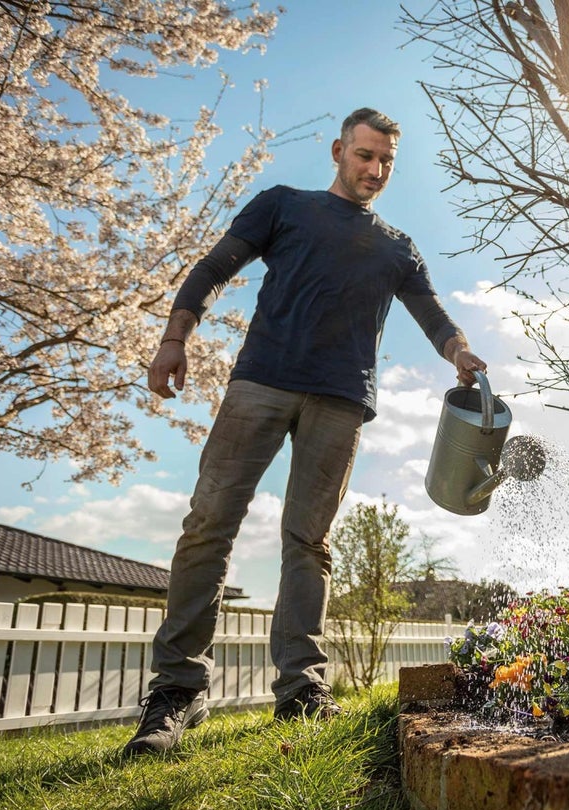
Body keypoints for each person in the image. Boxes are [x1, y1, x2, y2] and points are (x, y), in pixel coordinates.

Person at [123, 107, 487, 757]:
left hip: (342, 399)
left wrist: (458, 351)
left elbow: (433, 314)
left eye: (386, 161)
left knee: (309, 541)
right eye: (365, 155)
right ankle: (177, 690)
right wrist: (175, 337)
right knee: (209, 523)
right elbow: (213, 269)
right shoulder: (284, 205)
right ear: (338, 150)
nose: (374, 169)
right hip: (261, 382)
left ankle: (301, 689)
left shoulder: (397, 247)